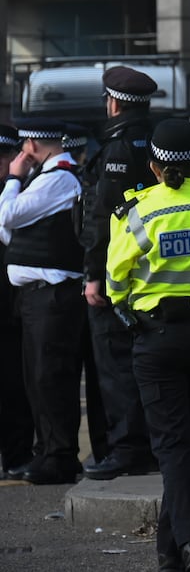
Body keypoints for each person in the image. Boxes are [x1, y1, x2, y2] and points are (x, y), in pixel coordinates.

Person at [105, 119, 190, 572]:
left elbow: (114, 283)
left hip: (157, 339)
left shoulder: (136, 213)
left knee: (174, 449)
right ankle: (169, 553)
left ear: (154, 166)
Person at [82, 65, 159, 479]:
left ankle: (127, 448)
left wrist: (94, 274)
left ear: (113, 103)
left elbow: (102, 219)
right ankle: (142, 444)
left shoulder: (116, 149)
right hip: (152, 270)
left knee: (115, 363)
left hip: (118, 271)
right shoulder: (154, 141)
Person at [0, 118, 86, 484]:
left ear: (32, 145)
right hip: (36, 297)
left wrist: (13, 179)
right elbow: (7, 229)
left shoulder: (59, 178)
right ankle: (48, 451)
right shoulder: (47, 177)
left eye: (23, 147)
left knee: (51, 378)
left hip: (53, 296)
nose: (20, 155)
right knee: (37, 379)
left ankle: (60, 456)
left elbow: (6, 215)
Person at [0, 123, 35, 479]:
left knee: (14, 386)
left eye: (5, 156)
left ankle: (18, 453)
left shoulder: (23, 190)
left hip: (12, 305)